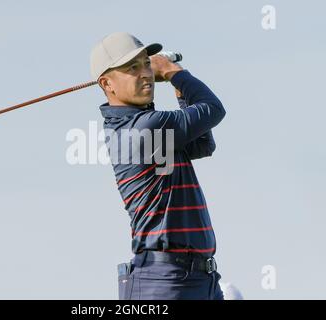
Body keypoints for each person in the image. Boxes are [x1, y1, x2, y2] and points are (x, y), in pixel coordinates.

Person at [90, 32, 226, 300]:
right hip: (164, 282)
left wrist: (181, 91)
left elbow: (202, 145)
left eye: (146, 64)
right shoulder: (143, 129)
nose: (146, 74)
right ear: (107, 83)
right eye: (132, 68)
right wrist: (176, 73)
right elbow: (213, 109)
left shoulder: (145, 125)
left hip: (198, 279)